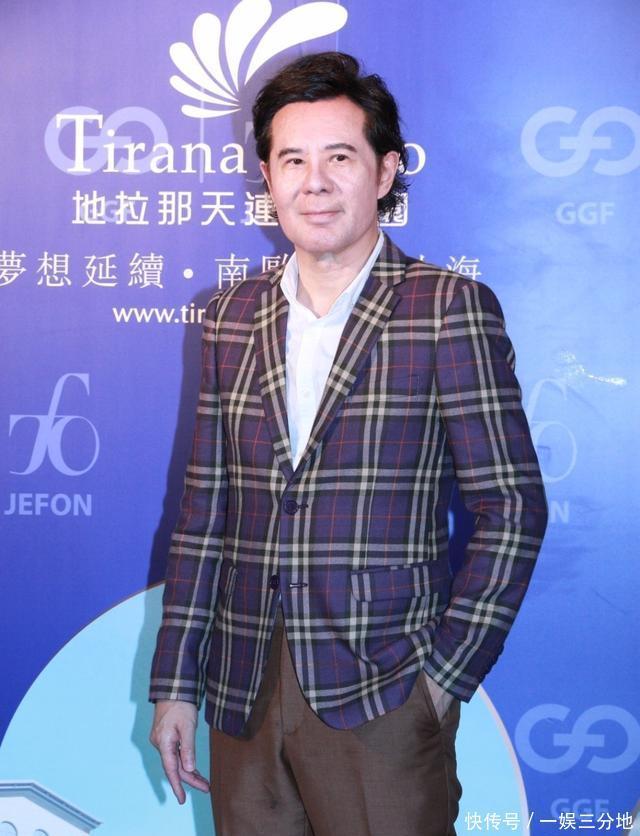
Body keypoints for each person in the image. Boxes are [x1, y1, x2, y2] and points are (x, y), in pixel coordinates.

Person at [149, 51, 547, 835]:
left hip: (385, 691)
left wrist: (442, 680)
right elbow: (202, 516)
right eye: (291, 160)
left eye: (340, 157)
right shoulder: (231, 317)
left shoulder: (446, 309)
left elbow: (512, 508)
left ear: (386, 170)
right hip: (241, 688)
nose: (314, 182)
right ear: (267, 177)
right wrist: (175, 683)